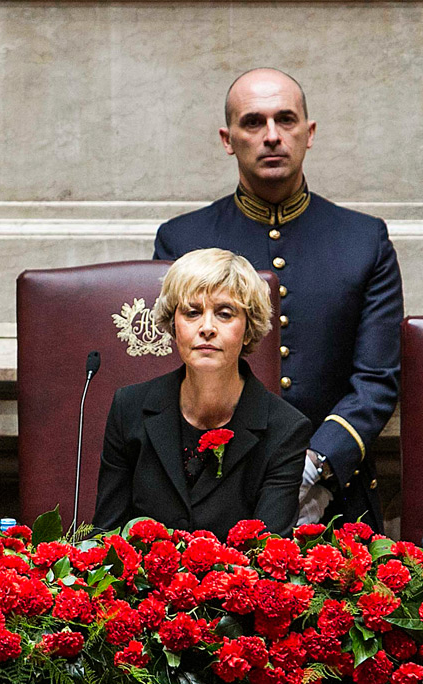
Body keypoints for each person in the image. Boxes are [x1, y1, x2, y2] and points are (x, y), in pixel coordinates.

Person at [154, 68, 402, 531]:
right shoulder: (181, 240)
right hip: (209, 494)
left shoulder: (364, 241)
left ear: (309, 133)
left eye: (285, 119)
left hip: (334, 498)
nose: (272, 135)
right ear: (228, 139)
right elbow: (174, 374)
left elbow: (377, 379)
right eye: (253, 122)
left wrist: (317, 465)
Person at [95, 249, 312, 538]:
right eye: (192, 313)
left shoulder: (286, 429)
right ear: (173, 325)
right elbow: (106, 537)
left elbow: (268, 553)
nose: (207, 328)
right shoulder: (129, 408)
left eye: (225, 314)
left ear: (248, 329)